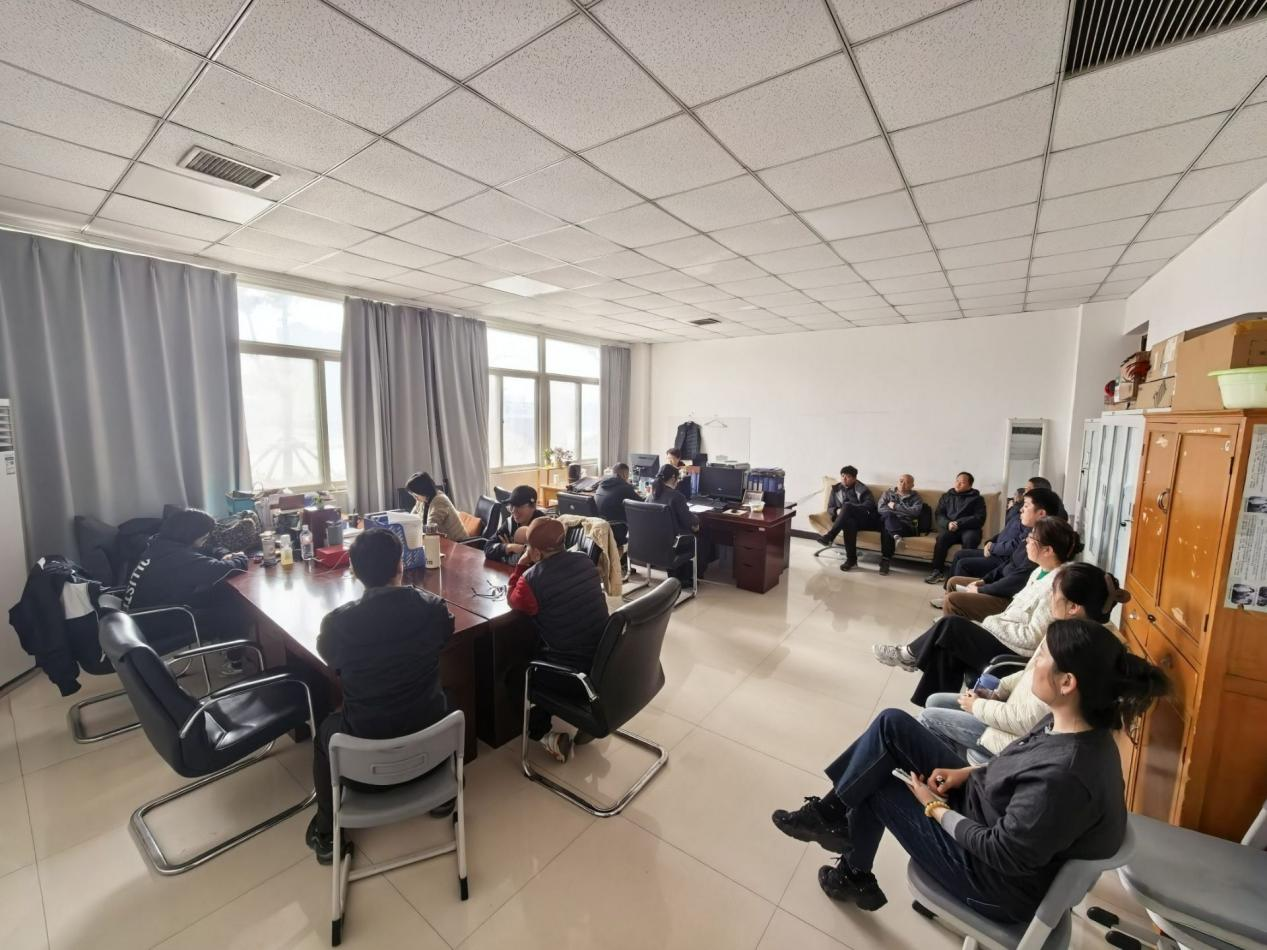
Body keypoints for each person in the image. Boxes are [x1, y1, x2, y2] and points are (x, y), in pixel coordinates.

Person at [770, 619, 1168, 921]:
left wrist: (934, 808)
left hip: (989, 879)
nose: (1033, 664)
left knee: (876, 786)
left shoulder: (1067, 776)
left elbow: (1000, 852)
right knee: (892, 725)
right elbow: (1019, 764)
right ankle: (831, 815)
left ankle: (852, 872)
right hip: (986, 807)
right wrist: (968, 774)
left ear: (1067, 682)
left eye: (1042, 657)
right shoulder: (1065, 721)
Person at [305, 528, 454, 864]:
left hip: (364, 773)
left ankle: (327, 833)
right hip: (428, 755)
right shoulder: (432, 608)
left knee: (325, 732)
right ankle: (443, 796)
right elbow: (445, 635)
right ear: (400, 565)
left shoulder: (338, 624)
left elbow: (331, 659)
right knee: (448, 698)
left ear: (355, 572)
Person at [920, 564, 1131, 759]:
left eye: (1054, 594)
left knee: (928, 717)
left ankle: (960, 778)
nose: (1049, 599)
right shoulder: (1069, 633)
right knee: (935, 701)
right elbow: (1030, 671)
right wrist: (999, 691)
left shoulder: (1078, 653)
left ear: (1073, 607)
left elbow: (1029, 721)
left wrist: (978, 706)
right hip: (1011, 710)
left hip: (1016, 739)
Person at [874, 517, 1083, 704]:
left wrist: (990, 623)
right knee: (946, 648)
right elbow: (1013, 612)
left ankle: (908, 655)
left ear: (1048, 550)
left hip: (1013, 654)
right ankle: (932, 709)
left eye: (1031, 539)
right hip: (1003, 638)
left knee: (951, 625)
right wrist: (992, 623)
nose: (1026, 542)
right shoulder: (1040, 572)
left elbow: (1032, 639)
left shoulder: (1055, 588)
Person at [506, 518, 610, 763]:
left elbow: (513, 600)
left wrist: (520, 566)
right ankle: (584, 713)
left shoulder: (532, 580)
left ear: (536, 552)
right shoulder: (584, 560)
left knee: (515, 676)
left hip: (574, 675)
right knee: (545, 645)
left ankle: (544, 734)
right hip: (606, 660)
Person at [123, 508, 249, 669]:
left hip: (144, 615)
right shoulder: (176, 558)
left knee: (223, 593)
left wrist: (223, 554)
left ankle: (225, 643)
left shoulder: (160, 544)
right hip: (156, 623)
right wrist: (240, 557)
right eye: (204, 537)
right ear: (191, 535)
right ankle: (236, 661)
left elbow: (207, 549)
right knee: (233, 610)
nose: (205, 540)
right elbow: (226, 570)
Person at [936, 486, 1064, 620]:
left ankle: (953, 620)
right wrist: (985, 580)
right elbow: (1010, 562)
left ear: (1041, 513)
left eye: (1026, 506)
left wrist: (981, 589)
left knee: (953, 598)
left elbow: (1015, 581)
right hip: (1001, 583)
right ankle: (950, 618)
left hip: (1007, 598)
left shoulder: (1039, 544)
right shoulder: (1031, 533)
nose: (1021, 509)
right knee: (953, 582)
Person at [945, 477, 1053, 582]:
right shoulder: (1020, 509)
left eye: (1027, 489)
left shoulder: (1033, 521)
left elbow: (1016, 545)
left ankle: (958, 592)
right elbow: (1006, 531)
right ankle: (949, 590)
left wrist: (992, 547)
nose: (1024, 493)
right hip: (996, 550)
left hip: (1003, 557)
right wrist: (990, 542)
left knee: (963, 564)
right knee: (959, 554)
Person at [648, 463, 708, 590]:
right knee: (701, 537)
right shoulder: (677, 496)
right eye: (678, 478)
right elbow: (689, 520)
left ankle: (678, 575)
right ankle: (685, 578)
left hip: (653, 542)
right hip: (673, 542)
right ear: (673, 478)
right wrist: (696, 522)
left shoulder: (650, 496)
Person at [924, 472, 988, 585]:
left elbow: (979, 518)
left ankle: (962, 575)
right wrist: (948, 524)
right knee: (942, 538)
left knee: (970, 539)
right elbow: (939, 514)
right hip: (950, 528)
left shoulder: (977, 499)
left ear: (970, 485)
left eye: (962, 482)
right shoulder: (946, 496)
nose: (958, 484)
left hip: (969, 529)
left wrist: (959, 523)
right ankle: (937, 571)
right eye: (957, 481)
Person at [817, 466, 877, 572]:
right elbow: (830, 508)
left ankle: (830, 536)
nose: (844, 479)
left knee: (848, 506)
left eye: (848, 477)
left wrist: (851, 508)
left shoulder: (862, 489)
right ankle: (851, 560)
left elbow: (870, 505)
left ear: (854, 478)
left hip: (862, 519)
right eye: (842, 476)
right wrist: (837, 511)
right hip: (846, 520)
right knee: (849, 523)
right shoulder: (836, 489)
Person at [874, 474, 925, 576]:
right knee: (888, 516)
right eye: (901, 481)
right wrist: (899, 512)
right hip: (888, 518)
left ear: (912, 485)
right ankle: (896, 536)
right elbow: (880, 509)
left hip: (905, 525)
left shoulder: (916, 497)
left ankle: (885, 560)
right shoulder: (887, 493)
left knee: (887, 528)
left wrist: (896, 507)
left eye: (907, 482)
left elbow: (915, 512)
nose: (903, 484)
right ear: (897, 482)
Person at [484, 485, 546, 564]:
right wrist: (510, 547)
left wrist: (506, 555)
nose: (513, 511)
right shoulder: (510, 523)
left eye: (519, 506)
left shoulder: (543, 526)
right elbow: (488, 548)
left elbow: (539, 560)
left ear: (533, 506)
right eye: (511, 506)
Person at [405, 471, 468, 542]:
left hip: (458, 543)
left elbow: (431, 529)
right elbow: (411, 519)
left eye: (416, 495)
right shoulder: (422, 500)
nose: (415, 498)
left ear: (423, 491)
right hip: (440, 541)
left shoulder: (439, 500)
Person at [594, 462, 641, 547]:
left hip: (598, 528)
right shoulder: (625, 487)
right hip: (615, 529)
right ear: (624, 475)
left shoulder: (601, 484)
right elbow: (641, 504)